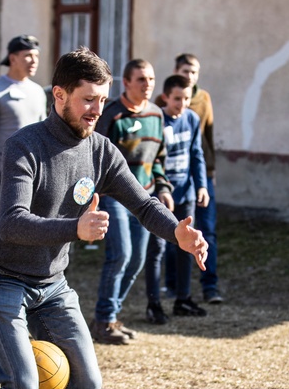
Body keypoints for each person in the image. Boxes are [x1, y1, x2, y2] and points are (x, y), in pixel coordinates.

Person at [0, 46, 207, 389]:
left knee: (86, 383)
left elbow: (142, 202)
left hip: (51, 284)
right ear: (59, 95)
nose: (97, 109)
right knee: (20, 382)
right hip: (0, 275)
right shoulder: (25, 145)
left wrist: (177, 233)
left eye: (102, 99)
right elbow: (10, 222)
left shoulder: (100, 150)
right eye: (87, 99)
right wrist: (74, 228)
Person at [91, 59, 170, 344]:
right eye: (141, 79)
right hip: (113, 197)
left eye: (150, 78)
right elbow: (95, 157)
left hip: (145, 197)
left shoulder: (157, 114)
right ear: (126, 82)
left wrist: (163, 188)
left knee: (137, 259)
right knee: (120, 255)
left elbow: (159, 158)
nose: (147, 84)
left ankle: (111, 316)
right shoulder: (111, 114)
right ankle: (102, 321)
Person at [157, 54, 223, 304]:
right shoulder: (161, 105)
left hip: (195, 179)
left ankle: (209, 286)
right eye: (186, 71)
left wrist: (208, 176)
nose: (190, 76)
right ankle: (172, 286)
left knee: (206, 231)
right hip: (168, 184)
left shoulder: (202, 100)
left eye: (194, 72)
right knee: (172, 236)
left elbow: (205, 140)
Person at [144, 75, 210, 324]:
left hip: (186, 194)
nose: (182, 104)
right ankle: (154, 303)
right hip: (161, 197)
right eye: (177, 99)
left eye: (186, 99)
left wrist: (201, 185)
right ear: (166, 98)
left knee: (188, 247)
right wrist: (161, 189)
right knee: (157, 249)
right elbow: (152, 159)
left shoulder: (192, 118)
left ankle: (183, 298)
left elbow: (196, 153)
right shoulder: (156, 120)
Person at [0, 34, 47, 207]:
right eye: (28, 56)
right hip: (4, 173)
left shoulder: (38, 91)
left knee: (33, 229)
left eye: (36, 56)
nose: (34, 61)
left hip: (34, 172)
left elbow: (44, 134)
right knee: (6, 230)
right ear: (12, 58)